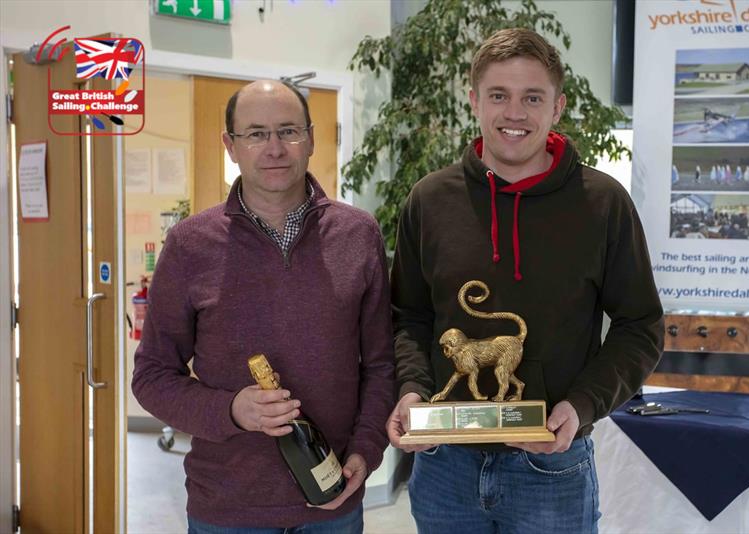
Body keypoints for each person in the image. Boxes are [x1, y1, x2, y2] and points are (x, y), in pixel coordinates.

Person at [386, 28, 664, 534]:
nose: (515, 113)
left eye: (532, 97)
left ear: (557, 107)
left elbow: (640, 326)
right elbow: (409, 317)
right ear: (474, 101)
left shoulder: (603, 204)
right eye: (499, 96)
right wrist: (410, 390)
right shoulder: (429, 201)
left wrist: (581, 407)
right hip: (444, 464)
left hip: (552, 467)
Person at [132, 80, 395, 533]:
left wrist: (366, 450)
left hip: (335, 504)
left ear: (310, 138)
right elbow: (153, 377)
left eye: (288, 131)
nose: (274, 148)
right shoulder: (190, 245)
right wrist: (231, 410)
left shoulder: (359, 235)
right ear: (230, 146)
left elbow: (381, 364)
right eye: (255, 134)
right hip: (228, 509)